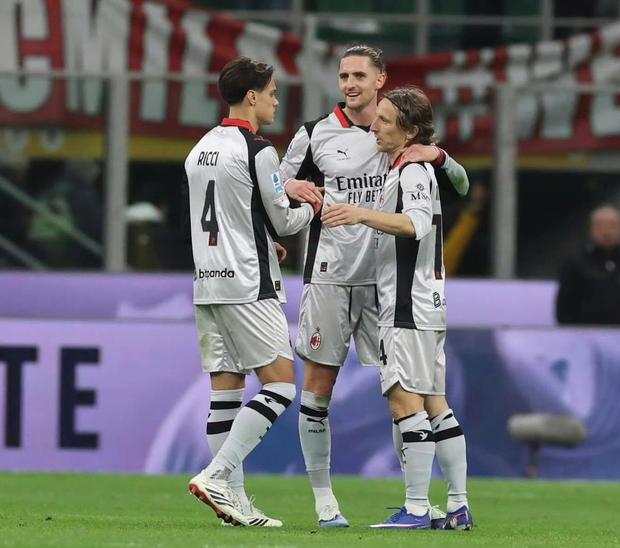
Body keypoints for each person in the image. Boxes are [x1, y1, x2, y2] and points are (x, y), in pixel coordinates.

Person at [279, 44, 469, 527]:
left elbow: (460, 185)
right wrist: (287, 191)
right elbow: (273, 192)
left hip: (389, 288)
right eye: (343, 76)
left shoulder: (398, 140)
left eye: (359, 75)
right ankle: (326, 501)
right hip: (330, 277)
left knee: (406, 396)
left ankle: (420, 503)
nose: (350, 84)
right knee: (319, 389)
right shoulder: (314, 135)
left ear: (380, 79)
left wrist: (441, 155)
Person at [321, 87, 473, 530]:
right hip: (427, 303)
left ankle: (417, 508)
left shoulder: (411, 171)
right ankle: (458, 506)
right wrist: (441, 157)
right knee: (436, 403)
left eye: (385, 120)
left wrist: (360, 214)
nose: (374, 125)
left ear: (409, 131)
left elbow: (416, 224)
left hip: (406, 305)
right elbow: (460, 183)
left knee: (404, 401)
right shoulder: (412, 165)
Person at [184, 56, 317, 527]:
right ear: (252, 96)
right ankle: (216, 476)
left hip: (208, 282)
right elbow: (283, 218)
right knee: (280, 384)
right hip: (247, 283)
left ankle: (233, 504)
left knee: (226, 390)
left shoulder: (200, 148)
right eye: (273, 92)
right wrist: (314, 207)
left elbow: (228, 213)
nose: (277, 101)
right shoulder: (258, 149)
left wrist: (263, 239)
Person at [556, 205, 620, 326]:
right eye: (600, 226)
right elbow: (564, 307)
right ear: (591, 229)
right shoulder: (574, 264)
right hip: (584, 335)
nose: (606, 232)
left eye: (612, 226)